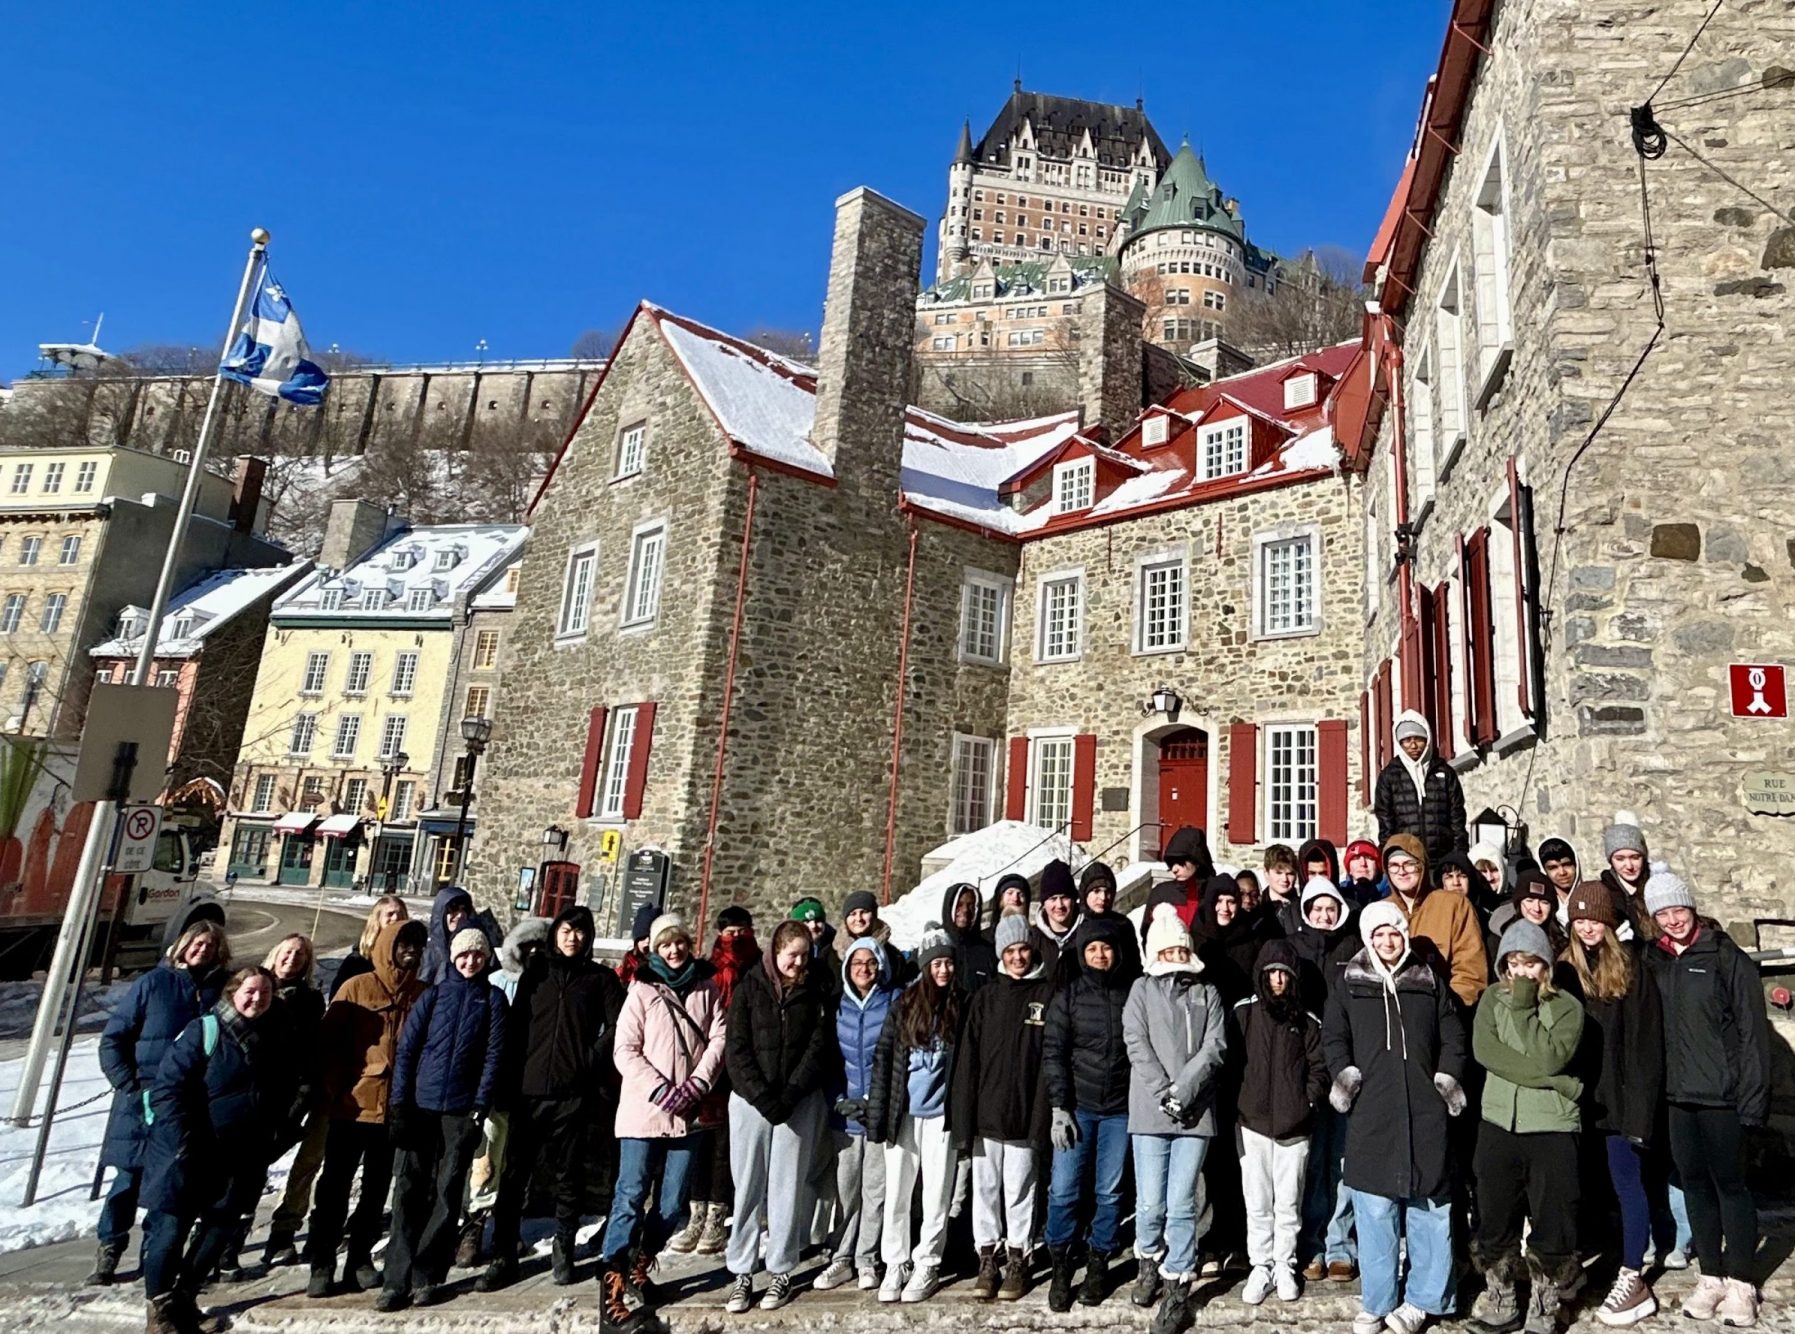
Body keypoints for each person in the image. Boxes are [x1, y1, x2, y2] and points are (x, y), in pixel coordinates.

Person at [1324, 900, 1468, 1334]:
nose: (1388, 941)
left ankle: (1425, 1298)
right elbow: (1334, 1036)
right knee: (1375, 1209)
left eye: (1395, 933)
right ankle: (1378, 1300)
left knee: (1430, 1207)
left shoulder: (1428, 982)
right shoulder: (1349, 983)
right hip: (1374, 1110)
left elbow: (1453, 1035)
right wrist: (1347, 1079)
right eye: (1380, 934)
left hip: (1425, 1110)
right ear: (1368, 939)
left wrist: (1446, 1080)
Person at [1642, 864, 1770, 1327]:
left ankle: (1741, 1281)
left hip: (1723, 1097)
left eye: (1678, 909)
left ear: (1692, 907)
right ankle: (1711, 1275)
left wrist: (1753, 1100)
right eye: (1663, 913)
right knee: (1694, 1186)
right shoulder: (1654, 960)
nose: (1673, 920)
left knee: (1731, 1187)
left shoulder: (1723, 955)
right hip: (1679, 1097)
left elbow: (1754, 1033)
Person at [483, 905, 625, 1290]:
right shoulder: (536, 975)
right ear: (555, 933)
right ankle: (503, 1254)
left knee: (569, 1178)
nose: (572, 937)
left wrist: (591, 1060)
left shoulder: (600, 979)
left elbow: (619, 1025)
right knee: (514, 1177)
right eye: (566, 930)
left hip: (573, 1093)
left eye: (580, 932)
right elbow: (514, 1029)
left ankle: (564, 1247)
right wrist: (506, 1083)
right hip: (529, 1092)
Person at [139, 966, 286, 1334]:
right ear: (233, 993)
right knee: (170, 1231)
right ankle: (159, 1310)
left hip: (240, 1155)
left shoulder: (270, 1035)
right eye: (250, 991)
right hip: (188, 1150)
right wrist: (182, 1140)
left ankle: (185, 1298)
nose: (257, 999)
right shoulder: (204, 1031)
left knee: (219, 1229)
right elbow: (167, 1090)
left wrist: (277, 1134)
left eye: (265, 993)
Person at [598, 913, 728, 1328]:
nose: (674, 951)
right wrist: (660, 1089)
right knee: (630, 1197)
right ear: (655, 949)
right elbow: (625, 1050)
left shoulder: (706, 988)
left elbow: (719, 1039)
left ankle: (640, 1264)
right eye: (665, 944)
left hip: (687, 1112)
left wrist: (697, 1083)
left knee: (672, 1205)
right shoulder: (640, 990)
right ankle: (612, 1294)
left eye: (679, 943)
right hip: (644, 1110)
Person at [93, 920, 231, 1285]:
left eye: (211, 945)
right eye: (197, 944)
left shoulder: (221, 991)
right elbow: (113, 1040)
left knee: (169, 1185)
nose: (203, 950)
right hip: (143, 1099)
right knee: (128, 1180)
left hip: (187, 1106)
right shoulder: (154, 983)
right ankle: (109, 1248)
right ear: (184, 946)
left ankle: (152, 1258)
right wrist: (130, 1086)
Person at [381, 927, 507, 1311]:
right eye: (464, 955)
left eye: (478, 956)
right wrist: (400, 1103)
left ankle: (427, 1275)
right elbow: (407, 1051)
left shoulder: (492, 1000)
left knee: (448, 1191)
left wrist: (478, 1108)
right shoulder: (433, 996)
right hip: (420, 1106)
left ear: (486, 959)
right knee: (408, 1189)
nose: (471, 961)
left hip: (459, 1109)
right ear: (453, 957)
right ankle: (395, 1280)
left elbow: (493, 1058)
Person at [1468, 921, 1586, 1334]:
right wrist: (1557, 1083)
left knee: (1553, 1217)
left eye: (1530, 963)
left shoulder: (1567, 1008)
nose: (1521, 972)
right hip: (1499, 1121)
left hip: (1551, 1125)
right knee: (1495, 1216)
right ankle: (1501, 1300)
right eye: (1513, 963)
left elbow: (1552, 1057)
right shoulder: (1489, 1002)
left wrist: (1524, 1008)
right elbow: (1487, 1054)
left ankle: (1545, 1301)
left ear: (1546, 966)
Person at [1556, 884, 1663, 1328]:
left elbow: (1645, 1046)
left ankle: (1633, 1274)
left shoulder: (1631, 969)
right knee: (1584, 1187)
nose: (1587, 927)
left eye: (1594, 919)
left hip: (1619, 1103)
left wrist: (1640, 1112)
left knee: (1627, 1184)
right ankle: (1584, 1264)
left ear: (1608, 922)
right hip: (1580, 1101)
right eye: (1580, 920)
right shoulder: (1565, 969)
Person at [306, 917, 427, 1296]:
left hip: (395, 1109)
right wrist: (338, 1089)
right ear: (387, 946)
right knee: (334, 1187)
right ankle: (322, 1262)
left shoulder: (422, 994)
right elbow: (328, 1047)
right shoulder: (357, 988)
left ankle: (359, 1257)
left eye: (416, 945)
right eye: (402, 943)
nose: (410, 951)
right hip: (352, 1106)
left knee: (377, 1189)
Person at [1122, 907, 1227, 1327]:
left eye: (1179, 948)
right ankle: (1148, 1258)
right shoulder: (1141, 991)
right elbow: (1136, 1042)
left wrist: (1184, 1091)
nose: (1174, 956)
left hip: (1194, 1113)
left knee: (1182, 1202)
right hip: (1150, 1112)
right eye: (1165, 949)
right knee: (1150, 1204)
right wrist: (1164, 1092)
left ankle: (1177, 1286)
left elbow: (1214, 1046)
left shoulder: (1207, 993)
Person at [723, 919, 833, 1313]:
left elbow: (818, 1046)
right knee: (748, 1185)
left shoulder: (814, 989)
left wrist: (790, 1094)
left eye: (804, 955)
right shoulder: (750, 987)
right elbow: (736, 1048)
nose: (798, 962)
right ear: (776, 952)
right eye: (792, 955)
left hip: (796, 1102)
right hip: (752, 1102)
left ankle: (782, 1268)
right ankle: (741, 1270)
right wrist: (761, 1096)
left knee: (787, 1186)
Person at [951, 914, 1053, 1302]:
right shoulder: (985, 998)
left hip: (1025, 1114)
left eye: (1023, 949)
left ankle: (1018, 1257)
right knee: (986, 1188)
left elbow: (1048, 1063)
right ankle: (987, 1257)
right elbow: (968, 1061)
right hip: (986, 1114)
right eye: (1010, 950)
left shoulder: (1045, 995)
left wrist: (1042, 1115)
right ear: (1001, 954)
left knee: (1020, 1189)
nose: (1017, 957)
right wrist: (965, 1118)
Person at [1042, 915, 1138, 1312]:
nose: (1100, 955)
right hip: (1078, 1108)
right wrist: (1059, 1107)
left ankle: (1099, 1260)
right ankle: (1062, 1263)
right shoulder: (1068, 996)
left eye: (1106, 948)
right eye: (1092, 949)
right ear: (1083, 954)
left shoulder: (1132, 992)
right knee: (1064, 1189)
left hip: (1118, 1109)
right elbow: (1054, 1053)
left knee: (1109, 1190)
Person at [866, 927, 964, 1304]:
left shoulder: (961, 1004)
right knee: (898, 1192)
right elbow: (884, 1059)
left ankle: (928, 1260)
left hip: (942, 1116)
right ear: (925, 966)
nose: (943, 970)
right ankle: (896, 1260)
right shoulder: (905, 1004)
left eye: (948, 963)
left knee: (937, 1193)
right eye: (937, 963)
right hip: (904, 1113)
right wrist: (879, 1113)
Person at [1234, 939, 1328, 1308]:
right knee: (1257, 1201)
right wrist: (1239, 1105)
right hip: (1251, 1122)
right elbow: (1229, 1064)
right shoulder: (1243, 1013)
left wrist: (1307, 1102)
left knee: (1288, 1202)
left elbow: (1319, 1067)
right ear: (1261, 975)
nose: (1277, 980)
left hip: (1294, 1125)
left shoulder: (1307, 1020)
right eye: (1271, 973)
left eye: (1283, 974)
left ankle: (1285, 1264)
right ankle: (1260, 1265)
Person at [457, 915, 549, 1269]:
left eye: (541, 946)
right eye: (528, 946)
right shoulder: (496, 983)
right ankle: (474, 1226)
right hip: (492, 1087)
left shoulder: (548, 985)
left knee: (515, 1164)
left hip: (530, 1086)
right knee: (485, 1158)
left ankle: (506, 1231)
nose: (534, 952)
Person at [674, 906, 759, 1257]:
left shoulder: (757, 969)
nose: (735, 939)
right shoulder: (706, 970)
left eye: (742, 932)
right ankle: (696, 1211)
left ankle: (717, 1213)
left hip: (740, 1064)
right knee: (701, 1141)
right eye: (729, 933)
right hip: (705, 1063)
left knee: (726, 1143)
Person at [1290, 880, 1360, 1286]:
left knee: (1344, 1159)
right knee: (1313, 1162)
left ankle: (1340, 1245)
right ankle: (1311, 1244)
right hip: (1309, 1066)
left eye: (1330, 908)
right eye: (1316, 909)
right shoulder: (1293, 947)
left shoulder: (1351, 947)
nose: (1324, 915)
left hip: (1347, 1064)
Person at [822, 935, 900, 1292]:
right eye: (857, 963)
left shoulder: (893, 1001)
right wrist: (839, 1097)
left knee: (875, 1189)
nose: (864, 969)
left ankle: (867, 1258)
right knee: (846, 1189)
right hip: (846, 1111)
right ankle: (841, 1255)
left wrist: (877, 1100)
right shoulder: (838, 1005)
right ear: (847, 968)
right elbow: (830, 1059)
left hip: (879, 1112)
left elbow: (897, 1056)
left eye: (870, 963)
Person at [247, 935, 323, 1273]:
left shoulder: (311, 999)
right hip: (252, 1092)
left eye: (301, 955)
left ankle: (284, 1230)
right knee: (247, 1169)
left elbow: (311, 1046)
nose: (292, 959)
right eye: (288, 952)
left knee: (304, 1164)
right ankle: (227, 1239)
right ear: (275, 954)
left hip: (296, 1091)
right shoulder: (252, 987)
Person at [1381, 835, 1487, 1009]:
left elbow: (1470, 969)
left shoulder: (1453, 905)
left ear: (1422, 866)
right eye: (1394, 865)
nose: (1401, 871)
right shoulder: (1381, 910)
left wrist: (1449, 1010)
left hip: (1443, 1014)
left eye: (1409, 864)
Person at [1373, 710, 1468, 865]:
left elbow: (1457, 817)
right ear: (1399, 742)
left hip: (1443, 860)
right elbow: (1385, 822)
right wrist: (1389, 857)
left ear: (1428, 739)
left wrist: (1459, 855)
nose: (1413, 745)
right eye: (1407, 740)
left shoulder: (1445, 772)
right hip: (1407, 861)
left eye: (1419, 739)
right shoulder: (1389, 777)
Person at [328, 894, 408, 1001]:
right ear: (377, 920)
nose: (396, 918)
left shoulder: (412, 960)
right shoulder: (356, 962)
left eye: (400, 914)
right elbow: (337, 999)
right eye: (390, 914)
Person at [1488, 871, 1567, 977]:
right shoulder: (1497, 941)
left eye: (1544, 902)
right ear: (1519, 904)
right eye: (1529, 900)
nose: (1536, 908)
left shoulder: (1563, 944)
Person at [1080, 861, 1144, 977]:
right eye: (1096, 891)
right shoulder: (1077, 923)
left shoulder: (1123, 925)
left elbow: (1134, 967)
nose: (1103, 898)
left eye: (1108, 892)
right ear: (1085, 893)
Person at [1601, 813, 1652, 941]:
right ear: (1611, 860)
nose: (1629, 866)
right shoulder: (1603, 893)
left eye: (1635, 857)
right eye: (1620, 859)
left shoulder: (1656, 886)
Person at [938, 882, 997, 993]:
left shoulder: (987, 953)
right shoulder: (934, 946)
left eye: (970, 905)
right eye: (959, 905)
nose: (965, 910)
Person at [840, 889, 908, 982]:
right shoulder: (830, 955)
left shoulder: (892, 956)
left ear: (874, 915)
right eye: (853, 914)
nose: (859, 918)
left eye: (864, 912)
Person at [419, 884, 477, 987]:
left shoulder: (477, 948)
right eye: (453, 909)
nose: (460, 915)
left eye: (464, 909)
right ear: (441, 912)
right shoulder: (427, 952)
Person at [1034, 864, 1083, 977]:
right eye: (1053, 899)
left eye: (1064, 897)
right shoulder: (1034, 939)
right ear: (1044, 903)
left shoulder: (1087, 932)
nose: (1059, 905)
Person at [792, 896, 842, 1002]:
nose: (813, 926)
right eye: (806, 921)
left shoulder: (837, 947)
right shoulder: (788, 950)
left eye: (818, 920)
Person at [1161, 826, 1216, 922]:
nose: (1174, 869)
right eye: (1172, 863)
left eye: (1180, 862)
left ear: (1197, 860)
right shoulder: (1161, 894)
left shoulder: (1216, 893)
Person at [617, 901, 660, 987]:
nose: (647, 941)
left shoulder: (664, 968)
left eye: (651, 937)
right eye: (643, 937)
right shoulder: (625, 969)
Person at [1342, 839, 1382, 906]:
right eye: (1356, 858)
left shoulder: (1388, 896)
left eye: (1369, 857)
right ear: (1349, 868)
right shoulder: (1339, 896)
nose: (1363, 863)